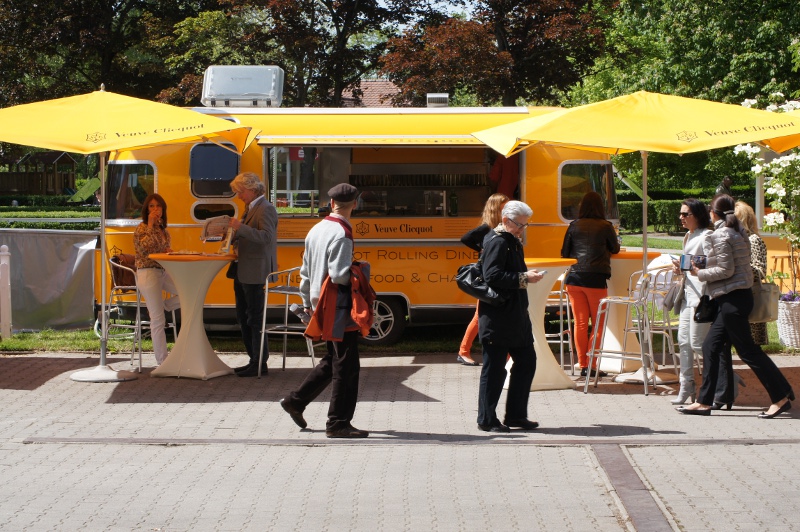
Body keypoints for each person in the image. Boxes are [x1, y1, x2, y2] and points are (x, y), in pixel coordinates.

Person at [678, 194, 794, 418]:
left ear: (713, 213)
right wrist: (702, 263)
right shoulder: (738, 231)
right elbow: (730, 262)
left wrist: (699, 273)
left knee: (748, 351)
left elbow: (726, 270)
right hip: (735, 298)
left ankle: (780, 397)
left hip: (732, 300)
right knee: (711, 346)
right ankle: (704, 402)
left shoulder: (720, 234)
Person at [280, 183, 372, 438]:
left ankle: (295, 401)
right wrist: (360, 271)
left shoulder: (316, 229)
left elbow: (305, 272)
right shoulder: (342, 233)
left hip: (319, 302)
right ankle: (338, 422)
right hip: (338, 306)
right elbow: (339, 275)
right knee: (347, 366)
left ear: (332, 203)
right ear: (355, 204)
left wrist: (307, 302)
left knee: (333, 359)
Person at [477, 200, 544, 433]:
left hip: (516, 315)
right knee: (494, 369)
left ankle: (516, 415)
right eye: (519, 225)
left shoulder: (511, 241)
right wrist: (524, 278)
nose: (522, 229)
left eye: (525, 225)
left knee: (526, 362)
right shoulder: (497, 241)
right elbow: (492, 276)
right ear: (505, 220)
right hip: (498, 318)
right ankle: (486, 419)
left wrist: (524, 276)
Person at [560, 191, 621, 377]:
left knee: (580, 323)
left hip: (574, 279)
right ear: (600, 207)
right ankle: (593, 365)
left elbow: (564, 252)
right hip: (595, 279)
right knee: (598, 323)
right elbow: (615, 248)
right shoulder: (605, 226)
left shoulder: (573, 225)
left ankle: (582, 364)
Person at [227, 172, 278, 377]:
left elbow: (266, 237)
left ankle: (259, 362)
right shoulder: (250, 208)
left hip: (255, 271)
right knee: (243, 316)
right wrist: (231, 237)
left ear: (252, 189)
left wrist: (240, 228)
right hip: (243, 270)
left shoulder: (266, 208)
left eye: (240, 192)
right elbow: (249, 235)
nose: (239, 196)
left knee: (255, 318)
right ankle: (253, 360)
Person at [456, 193, 509, 366]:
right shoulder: (487, 227)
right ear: (496, 209)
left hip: (494, 273)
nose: (507, 209)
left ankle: (464, 351)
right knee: (480, 315)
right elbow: (465, 238)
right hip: (488, 275)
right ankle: (463, 351)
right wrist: (481, 250)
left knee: (481, 315)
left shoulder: (501, 227)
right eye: (504, 207)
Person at [669, 198, 712, 405]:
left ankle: (725, 376)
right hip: (688, 295)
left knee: (697, 343)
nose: (681, 217)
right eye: (681, 214)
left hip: (702, 297)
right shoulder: (688, 236)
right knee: (683, 341)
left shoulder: (706, 236)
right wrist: (680, 268)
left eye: (686, 214)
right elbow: (689, 266)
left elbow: (712, 263)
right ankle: (686, 385)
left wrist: (692, 266)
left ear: (698, 215)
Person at [133, 193, 180, 366]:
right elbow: (145, 248)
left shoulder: (164, 231)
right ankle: (163, 361)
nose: (155, 209)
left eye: (158, 206)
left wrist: (169, 251)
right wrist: (151, 225)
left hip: (162, 271)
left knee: (188, 292)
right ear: (146, 210)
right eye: (151, 206)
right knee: (158, 320)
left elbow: (162, 249)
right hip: (147, 272)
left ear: (163, 209)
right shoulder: (141, 228)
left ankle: (164, 305)